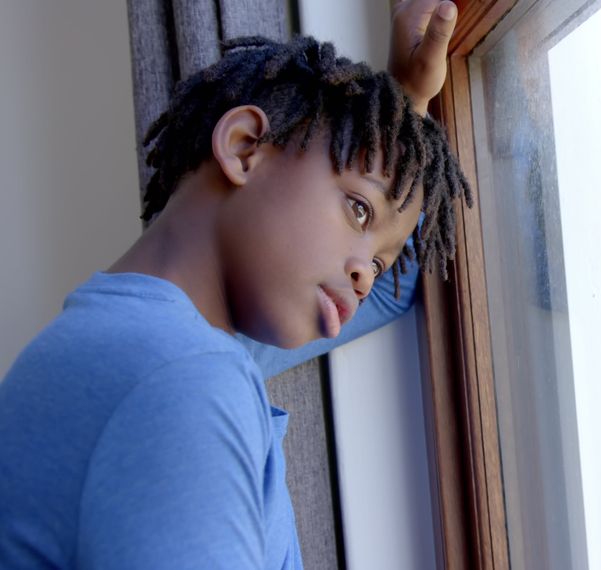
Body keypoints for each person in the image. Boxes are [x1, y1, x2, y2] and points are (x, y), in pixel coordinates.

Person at [0, 1, 464, 567]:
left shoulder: (134, 337)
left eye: (379, 261)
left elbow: (402, 284)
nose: (367, 274)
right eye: (359, 211)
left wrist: (404, 108)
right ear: (245, 148)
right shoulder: (182, 381)